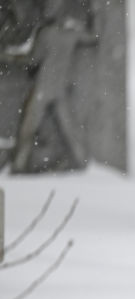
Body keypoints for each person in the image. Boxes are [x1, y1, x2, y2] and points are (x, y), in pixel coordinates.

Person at [11, 0, 97, 174]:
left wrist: (13, 58)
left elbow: (33, 59)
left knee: (29, 126)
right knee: (68, 126)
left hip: (44, 86)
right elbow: (93, 37)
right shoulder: (71, 33)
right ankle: (81, 159)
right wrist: (94, 15)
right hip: (59, 87)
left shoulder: (46, 33)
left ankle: (19, 163)